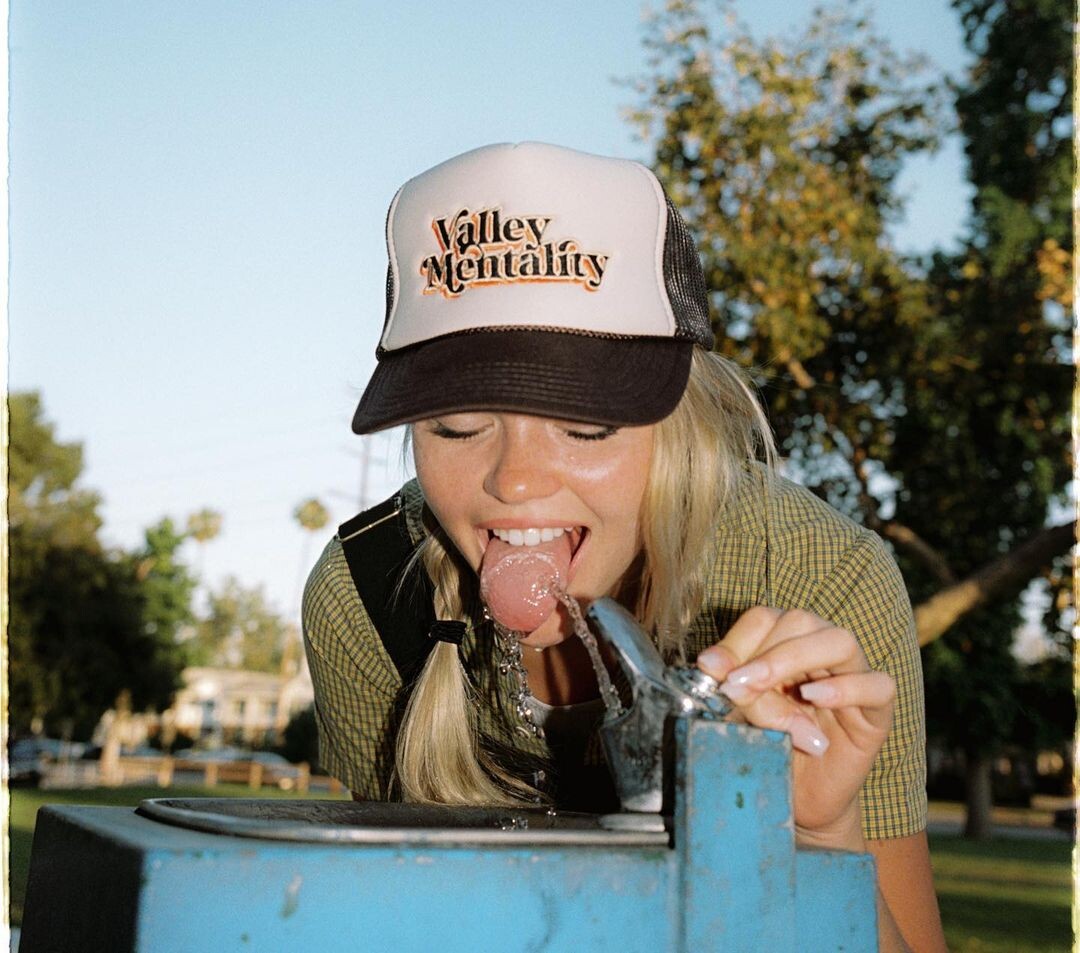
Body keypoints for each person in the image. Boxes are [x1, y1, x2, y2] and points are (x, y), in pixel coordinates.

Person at [303, 141, 946, 951]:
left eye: (584, 424)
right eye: (458, 425)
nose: (516, 481)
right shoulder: (368, 596)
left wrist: (816, 843)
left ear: (681, 418)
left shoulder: (815, 577)